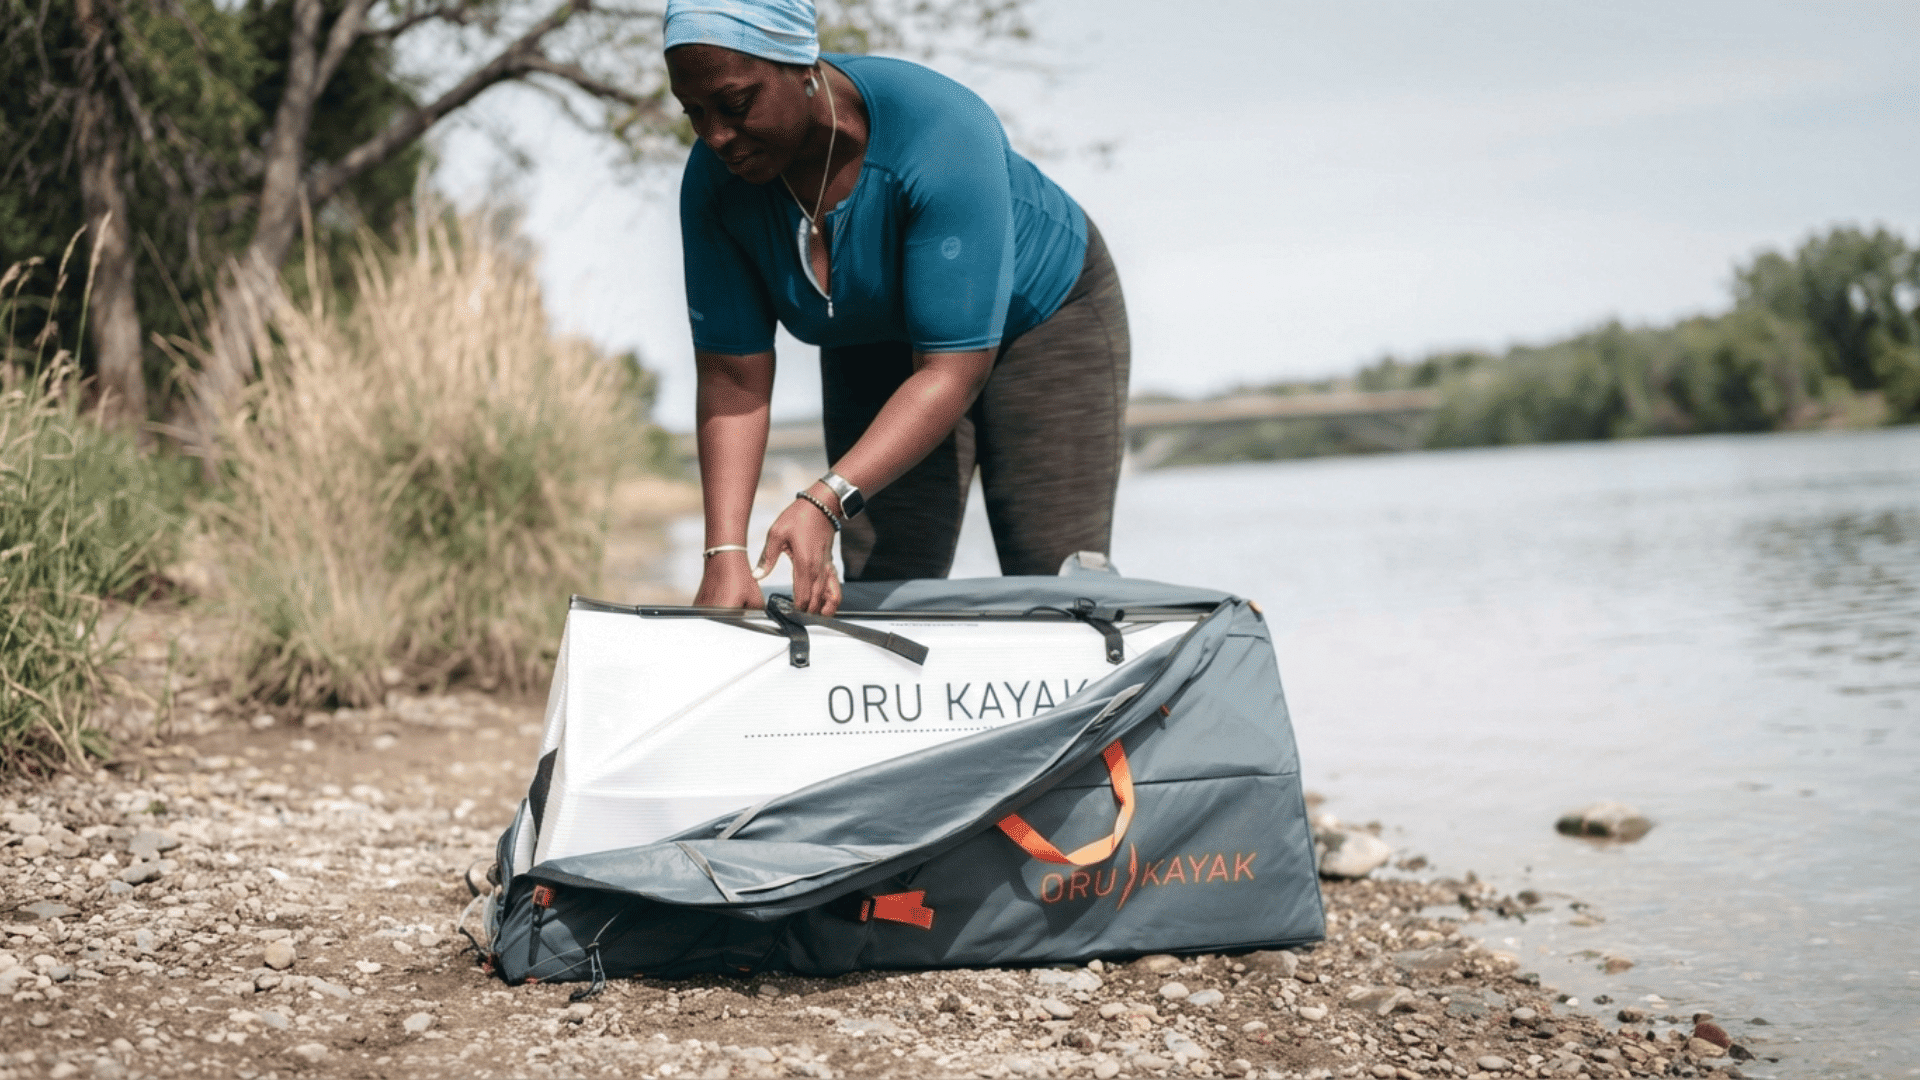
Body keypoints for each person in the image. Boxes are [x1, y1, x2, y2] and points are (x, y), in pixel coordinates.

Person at [669, 0, 1129, 616]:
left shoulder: (942, 128)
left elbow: (951, 371)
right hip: (871, 339)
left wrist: (823, 499)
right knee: (879, 589)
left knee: (1061, 590)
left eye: (734, 103)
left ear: (801, 65)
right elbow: (732, 377)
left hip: (1042, 320)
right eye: (693, 112)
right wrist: (724, 553)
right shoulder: (714, 186)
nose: (716, 136)